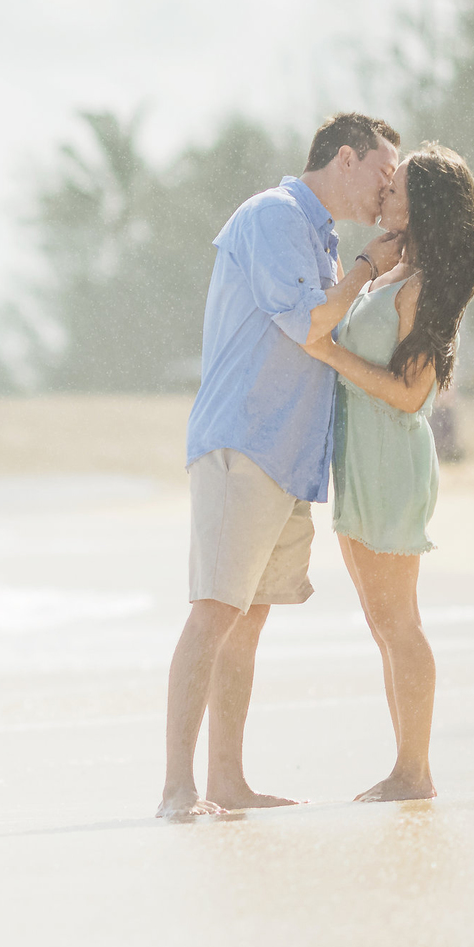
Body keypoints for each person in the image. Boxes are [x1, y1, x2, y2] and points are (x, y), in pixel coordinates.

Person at [157, 112, 405, 819]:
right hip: (244, 443)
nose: (385, 193)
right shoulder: (273, 216)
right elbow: (311, 325)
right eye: (385, 175)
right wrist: (369, 267)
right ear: (347, 160)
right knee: (213, 611)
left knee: (250, 617)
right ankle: (178, 786)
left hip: (285, 455)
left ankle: (227, 780)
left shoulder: (320, 236)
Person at [303, 143, 474, 802]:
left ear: (426, 208)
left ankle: (416, 771)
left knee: (399, 623)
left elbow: (413, 395)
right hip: (359, 458)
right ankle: (405, 768)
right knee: (383, 625)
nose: (385, 189)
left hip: (389, 458)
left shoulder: (422, 287)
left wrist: (327, 354)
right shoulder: (389, 271)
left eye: (398, 184)